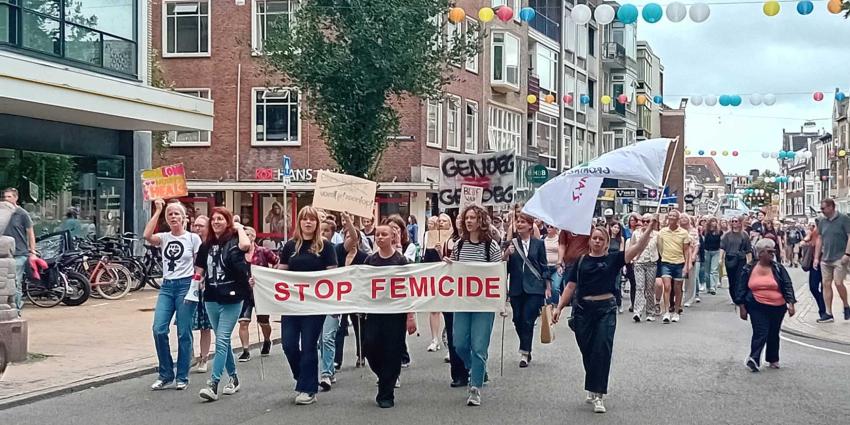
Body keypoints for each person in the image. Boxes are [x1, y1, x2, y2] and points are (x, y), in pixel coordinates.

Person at [552, 218, 657, 414]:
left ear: (607, 242)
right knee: (588, 351)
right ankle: (592, 385)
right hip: (583, 310)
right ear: (589, 240)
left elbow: (637, 248)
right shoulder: (581, 261)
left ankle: (598, 394)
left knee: (602, 350)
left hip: (606, 309)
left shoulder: (614, 259)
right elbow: (570, 286)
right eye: (594, 238)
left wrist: (649, 228)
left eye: (601, 239)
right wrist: (559, 307)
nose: (597, 241)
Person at [277, 206, 337, 405]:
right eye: (304, 219)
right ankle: (304, 377)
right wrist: (260, 280)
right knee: (288, 344)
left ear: (317, 223)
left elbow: (333, 276)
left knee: (309, 344)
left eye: (312, 219)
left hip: (314, 305)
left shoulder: (326, 247)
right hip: (292, 305)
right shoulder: (290, 246)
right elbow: (280, 273)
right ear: (299, 222)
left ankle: (308, 389)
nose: (308, 222)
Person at [444, 205, 502, 407]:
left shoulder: (491, 246)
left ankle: (475, 387)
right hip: (462, 302)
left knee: (479, 346)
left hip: (484, 305)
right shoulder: (459, 245)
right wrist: (448, 265)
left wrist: (501, 302)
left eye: (473, 218)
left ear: (481, 221)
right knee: (459, 343)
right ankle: (477, 367)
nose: (468, 221)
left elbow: (498, 274)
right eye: (466, 218)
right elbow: (455, 271)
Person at [144, 199, 203, 391]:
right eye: (170, 214)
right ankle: (165, 373)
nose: (173, 216)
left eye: (177, 213)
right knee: (159, 329)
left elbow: (199, 264)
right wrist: (158, 210)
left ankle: (182, 375)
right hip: (167, 287)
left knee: (183, 332)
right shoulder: (164, 237)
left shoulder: (193, 238)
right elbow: (147, 235)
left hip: (186, 285)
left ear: (184, 218)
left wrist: (196, 284)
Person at [194, 207, 252, 402]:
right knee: (223, 341)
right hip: (211, 296)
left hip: (233, 297)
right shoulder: (206, 245)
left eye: (221, 219)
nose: (216, 222)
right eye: (214, 219)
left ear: (228, 222)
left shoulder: (235, 242)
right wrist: (194, 286)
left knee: (222, 338)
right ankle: (233, 378)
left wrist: (239, 227)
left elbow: (246, 245)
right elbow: (199, 270)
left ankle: (213, 384)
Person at [363, 223, 416, 408]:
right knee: (370, 347)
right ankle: (385, 375)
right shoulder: (370, 261)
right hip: (375, 312)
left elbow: (410, 289)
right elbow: (362, 284)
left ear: (393, 237)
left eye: (384, 234)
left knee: (392, 351)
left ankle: (386, 394)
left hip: (396, 314)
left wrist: (410, 316)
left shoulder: (401, 261)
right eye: (377, 235)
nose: (380, 237)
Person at [734, 238, 796, 372]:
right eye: (769, 252)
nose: (772, 254)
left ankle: (773, 358)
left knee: (773, 332)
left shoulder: (778, 268)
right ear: (760, 253)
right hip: (756, 305)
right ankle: (754, 358)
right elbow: (741, 288)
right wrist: (741, 307)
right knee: (760, 332)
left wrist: (791, 303)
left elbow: (787, 285)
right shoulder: (749, 268)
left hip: (778, 306)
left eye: (773, 251)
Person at [505, 212, 550, 368]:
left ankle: (525, 352)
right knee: (517, 319)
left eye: (523, 222)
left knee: (527, 319)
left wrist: (547, 286)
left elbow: (543, 265)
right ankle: (525, 346)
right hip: (516, 287)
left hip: (534, 287)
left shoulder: (538, 244)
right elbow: (504, 267)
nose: (519, 224)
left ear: (530, 225)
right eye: (518, 222)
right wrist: (506, 254)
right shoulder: (511, 244)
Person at [236, 227, 279, 363]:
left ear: (253, 237)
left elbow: (277, 262)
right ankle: (245, 350)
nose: (244, 237)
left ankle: (267, 340)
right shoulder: (237, 254)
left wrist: (269, 276)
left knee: (263, 321)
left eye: (247, 234)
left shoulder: (263, 251)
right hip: (244, 292)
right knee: (243, 321)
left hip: (260, 292)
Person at [333, 212, 369, 370]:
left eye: (352, 237)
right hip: (341, 295)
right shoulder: (338, 252)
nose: (350, 239)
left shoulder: (364, 257)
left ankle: (361, 355)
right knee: (339, 327)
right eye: (346, 236)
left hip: (357, 296)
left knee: (359, 326)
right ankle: (337, 360)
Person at [813, 199, 850, 322]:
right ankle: (828, 313)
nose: (822, 211)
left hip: (840, 257)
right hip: (826, 258)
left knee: (838, 283)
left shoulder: (844, 219)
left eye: (823, 208)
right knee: (826, 284)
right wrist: (816, 257)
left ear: (831, 207)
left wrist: (847, 253)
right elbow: (819, 238)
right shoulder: (822, 221)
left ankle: (846, 305)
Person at [3, 188, 36, 317]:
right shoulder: (2, 214)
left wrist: (32, 251)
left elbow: (30, 233)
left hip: (19, 253)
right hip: (4, 254)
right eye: (5, 197)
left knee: (15, 281)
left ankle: (15, 311)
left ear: (16, 198)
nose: (6, 199)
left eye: (9, 197)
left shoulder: (22, 214)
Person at [657, 210, 690, 323]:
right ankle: (666, 312)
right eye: (670, 215)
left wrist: (686, 265)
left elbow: (686, 250)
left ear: (677, 219)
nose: (671, 217)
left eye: (674, 216)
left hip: (679, 263)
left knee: (677, 288)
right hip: (666, 262)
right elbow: (660, 247)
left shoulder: (683, 233)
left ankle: (676, 311)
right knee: (666, 287)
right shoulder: (662, 232)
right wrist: (664, 256)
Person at [190, 215, 213, 373]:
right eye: (195, 225)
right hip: (190, 286)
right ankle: (189, 356)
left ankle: (204, 358)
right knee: (186, 324)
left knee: (205, 326)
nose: (197, 228)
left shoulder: (209, 245)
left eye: (201, 226)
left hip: (205, 288)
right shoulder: (189, 241)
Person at [628, 214, 659, 322]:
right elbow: (632, 246)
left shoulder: (656, 234)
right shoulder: (636, 233)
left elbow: (660, 248)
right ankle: (637, 312)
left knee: (649, 288)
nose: (645, 223)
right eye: (643, 221)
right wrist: (632, 259)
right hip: (639, 263)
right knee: (640, 287)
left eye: (648, 221)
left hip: (651, 263)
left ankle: (650, 312)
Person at [800, 222, 829, 322]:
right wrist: (806, 239)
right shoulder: (814, 232)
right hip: (815, 263)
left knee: (825, 287)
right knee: (813, 287)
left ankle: (824, 312)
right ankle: (823, 306)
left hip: (826, 263)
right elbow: (805, 242)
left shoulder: (828, 232)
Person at [722, 217, 753, 304]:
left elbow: (748, 249)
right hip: (730, 258)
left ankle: (738, 297)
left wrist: (749, 262)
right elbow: (722, 247)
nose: (734, 223)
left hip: (740, 259)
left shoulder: (744, 235)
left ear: (740, 223)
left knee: (739, 279)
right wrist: (720, 259)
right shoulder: (727, 235)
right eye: (732, 221)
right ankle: (733, 297)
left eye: (736, 221)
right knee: (731, 279)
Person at [681, 214, 700, 308]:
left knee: (690, 279)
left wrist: (693, 255)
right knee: (680, 278)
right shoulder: (678, 230)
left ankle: (689, 298)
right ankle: (680, 297)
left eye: (685, 217)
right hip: (679, 256)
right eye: (681, 218)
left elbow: (696, 244)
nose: (683, 219)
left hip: (690, 256)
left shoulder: (693, 231)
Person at [701, 218, 722, 296]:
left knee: (714, 270)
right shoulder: (705, 231)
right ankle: (708, 286)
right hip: (707, 251)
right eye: (712, 221)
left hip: (716, 251)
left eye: (715, 222)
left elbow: (721, 242)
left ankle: (713, 287)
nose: (713, 223)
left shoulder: (719, 232)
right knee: (707, 271)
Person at [543, 224, 563, 306]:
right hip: (546, 268)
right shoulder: (543, 239)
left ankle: (555, 306)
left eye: (551, 227)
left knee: (555, 287)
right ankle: (549, 307)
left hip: (556, 267)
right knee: (547, 289)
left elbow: (563, 252)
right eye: (547, 226)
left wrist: (561, 264)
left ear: (555, 228)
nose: (549, 228)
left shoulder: (559, 239)